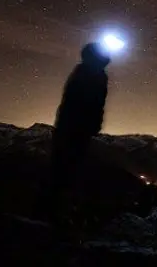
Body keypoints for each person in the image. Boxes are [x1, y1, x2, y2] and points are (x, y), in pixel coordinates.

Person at [46, 42, 111, 231]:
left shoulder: (86, 73)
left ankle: (59, 213)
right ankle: (59, 216)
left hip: (72, 129)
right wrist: (91, 125)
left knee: (65, 169)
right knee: (67, 169)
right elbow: (86, 104)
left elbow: (74, 103)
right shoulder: (93, 76)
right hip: (75, 130)